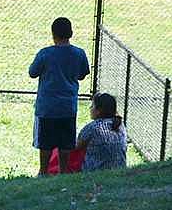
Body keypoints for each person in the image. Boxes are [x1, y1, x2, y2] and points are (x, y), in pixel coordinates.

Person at [29, 17, 90, 176]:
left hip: (47, 108)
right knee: (65, 142)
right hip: (68, 107)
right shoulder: (79, 53)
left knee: (46, 142)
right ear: (71, 33)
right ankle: (63, 172)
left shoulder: (45, 54)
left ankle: (43, 172)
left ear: (53, 34)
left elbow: (32, 72)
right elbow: (82, 74)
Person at [76, 93, 127, 172]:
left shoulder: (92, 127)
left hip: (94, 173)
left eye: (92, 106)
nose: (90, 108)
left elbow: (76, 147)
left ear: (98, 111)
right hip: (120, 171)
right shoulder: (120, 125)